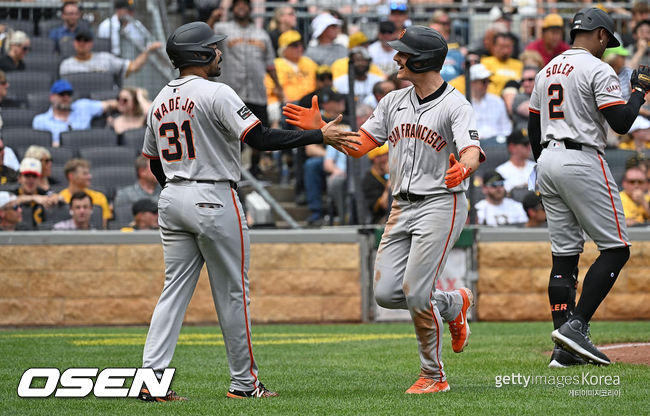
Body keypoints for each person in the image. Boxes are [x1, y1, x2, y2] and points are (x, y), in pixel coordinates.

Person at [138, 21, 360, 402]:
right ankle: (244, 384)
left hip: (173, 197)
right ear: (201, 55)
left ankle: (150, 382)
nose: (220, 52)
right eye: (214, 47)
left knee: (172, 293)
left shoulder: (160, 99)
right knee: (233, 295)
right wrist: (317, 135)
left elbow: (152, 160)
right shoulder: (216, 91)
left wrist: (178, 190)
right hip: (213, 196)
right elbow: (259, 138)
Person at [284, 25, 484, 394]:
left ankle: (434, 376)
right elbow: (361, 146)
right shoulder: (392, 101)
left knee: (416, 292)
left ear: (421, 60)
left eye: (404, 53)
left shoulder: (456, 104)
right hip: (401, 206)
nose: (396, 57)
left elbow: (470, 148)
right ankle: (454, 303)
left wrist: (467, 166)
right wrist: (322, 133)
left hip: (441, 203)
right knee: (388, 293)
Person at [528, 8, 650, 368]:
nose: (607, 47)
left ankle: (562, 351)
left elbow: (534, 129)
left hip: (547, 159)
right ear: (599, 35)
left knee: (564, 255)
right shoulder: (598, 68)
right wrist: (640, 91)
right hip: (581, 158)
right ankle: (576, 327)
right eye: (607, 40)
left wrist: (544, 168)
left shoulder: (546, 69)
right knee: (616, 249)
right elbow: (622, 122)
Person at [213, 0, 283, 178]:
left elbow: (270, 64)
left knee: (259, 132)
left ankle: (254, 168)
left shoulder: (261, 34)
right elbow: (203, 38)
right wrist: (213, 18)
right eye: (238, 5)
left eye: (245, 5)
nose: (241, 8)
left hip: (257, 92)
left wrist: (278, 86)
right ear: (233, 8)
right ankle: (233, 168)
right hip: (232, 92)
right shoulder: (222, 29)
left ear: (250, 9)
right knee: (232, 133)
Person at [32, 79, 118, 147]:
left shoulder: (83, 106)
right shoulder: (40, 121)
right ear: (52, 97)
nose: (66, 97)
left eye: (69, 94)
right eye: (61, 94)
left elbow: (109, 104)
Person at [59, 30, 162, 80]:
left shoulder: (105, 58)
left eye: (86, 40)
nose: (82, 43)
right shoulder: (66, 65)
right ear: (74, 42)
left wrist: (148, 50)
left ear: (92, 43)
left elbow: (133, 66)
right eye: (79, 40)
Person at [8, 158, 62, 229]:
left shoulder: (43, 193)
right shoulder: (11, 193)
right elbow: (7, 202)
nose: (31, 180)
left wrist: (55, 198)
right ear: (20, 178)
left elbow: (59, 197)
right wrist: (33, 198)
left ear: (39, 179)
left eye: (34, 176)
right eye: (27, 176)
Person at [58, 158, 111, 228]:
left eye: (88, 173)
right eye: (85, 173)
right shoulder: (60, 198)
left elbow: (103, 226)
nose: (90, 176)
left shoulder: (99, 197)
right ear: (71, 176)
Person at [469, 63, 512, 142]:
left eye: (488, 81)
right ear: (472, 83)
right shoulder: (463, 103)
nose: (487, 84)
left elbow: (506, 128)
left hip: (496, 144)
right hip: (474, 144)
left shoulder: (497, 101)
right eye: (483, 81)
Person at [113, 155, 161, 223]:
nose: (160, 171)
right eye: (155, 167)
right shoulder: (124, 195)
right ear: (142, 172)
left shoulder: (167, 193)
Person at [495, 128, 536, 200]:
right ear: (512, 147)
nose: (529, 147)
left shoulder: (536, 167)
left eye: (529, 143)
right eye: (525, 144)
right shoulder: (500, 172)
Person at [480, 32, 523, 96]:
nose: (505, 50)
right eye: (502, 47)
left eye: (508, 47)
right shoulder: (485, 62)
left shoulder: (519, 64)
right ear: (494, 47)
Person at [428, 10, 463, 82]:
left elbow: (462, 53)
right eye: (442, 23)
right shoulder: (427, 39)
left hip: (453, 67)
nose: (445, 26)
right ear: (433, 24)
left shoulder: (456, 39)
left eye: (447, 23)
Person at [362, 143, 390, 224]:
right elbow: (385, 205)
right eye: (381, 156)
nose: (386, 158)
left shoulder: (385, 175)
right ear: (374, 159)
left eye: (386, 154)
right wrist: (391, 179)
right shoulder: (369, 180)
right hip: (377, 222)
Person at [511, 66, 539, 132]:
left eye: (530, 80)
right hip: (523, 137)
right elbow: (535, 113)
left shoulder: (544, 95)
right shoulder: (519, 97)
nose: (526, 84)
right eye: (523, 80)